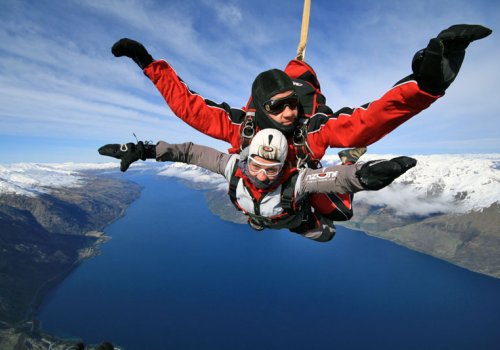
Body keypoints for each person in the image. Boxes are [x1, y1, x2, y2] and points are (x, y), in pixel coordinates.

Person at [109, 24, 491, 222]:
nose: (292, 113)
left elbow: (366, 121)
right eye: (280, 107)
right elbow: (189, 109)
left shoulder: (311, 130)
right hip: (261, 200)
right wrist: (147, 63)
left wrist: (426, 84)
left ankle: (335, 176)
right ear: (259, 109)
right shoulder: (240, 126)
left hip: (302, 192)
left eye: (295, 104)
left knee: (338, 211)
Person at [98, 129, 416, 242]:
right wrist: (143, 151)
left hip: (296, 217)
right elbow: (190, 153)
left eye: (272, 168)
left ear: (283, 166)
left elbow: (335, 180)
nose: (263, 175)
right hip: (274, 219)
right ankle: (270, 221)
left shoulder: (297, 180)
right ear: (247, 158)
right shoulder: (232, 167)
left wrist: (366, 174)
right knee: (317, 230)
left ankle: (348, 156)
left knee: (337, 222)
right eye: (257, 166)